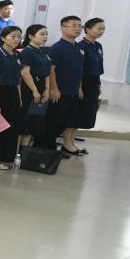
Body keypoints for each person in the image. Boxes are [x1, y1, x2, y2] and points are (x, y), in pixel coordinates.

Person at [47, 16, 86, 155]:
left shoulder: (79, 47)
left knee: (66, 121)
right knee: (54, 121)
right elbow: (51, 69)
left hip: (73, 91)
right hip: (60, 91)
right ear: (63, 28)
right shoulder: (57, 48)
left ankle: (57, 148)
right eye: (74, 26)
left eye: (80, 26)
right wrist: (54, 88)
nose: (78, 29)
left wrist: (79, 87)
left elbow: (79, 69)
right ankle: (47, 150)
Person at [0, 26, 24, 169]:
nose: (16, 39)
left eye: (18, 37)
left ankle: (6, 158)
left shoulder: (17, 54)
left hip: (13, 91)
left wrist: (19, 97)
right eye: (13, 36)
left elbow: (18, 79)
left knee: (12, 125)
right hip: (1, 91)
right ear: (3, 38)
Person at [18, 24, 53, 147]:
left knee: (34, 122)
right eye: (42, 34)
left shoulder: (43, 52)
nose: (45, 37)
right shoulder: (27, 52)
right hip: (29, 88)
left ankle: (26, 150)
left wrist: (47, 89)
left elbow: (47, 72)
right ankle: (17, 152)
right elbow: (25, 73)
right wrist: (34, 90)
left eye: (46, 34)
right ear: (31, 36)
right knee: (25, 121)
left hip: (42, 87)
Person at [75, 18, 105, 140]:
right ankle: (68, 141)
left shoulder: (98, 46)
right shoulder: (81, 46)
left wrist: (99, 84)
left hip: (94, 81)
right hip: (83, 81)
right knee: (80, 110)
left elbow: (98, 66)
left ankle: (73, 138)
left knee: (89, 111)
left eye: (103, 29)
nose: (101, 31)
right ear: (88, 29)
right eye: (99, 28)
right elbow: (79, 69)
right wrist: (79, 87)